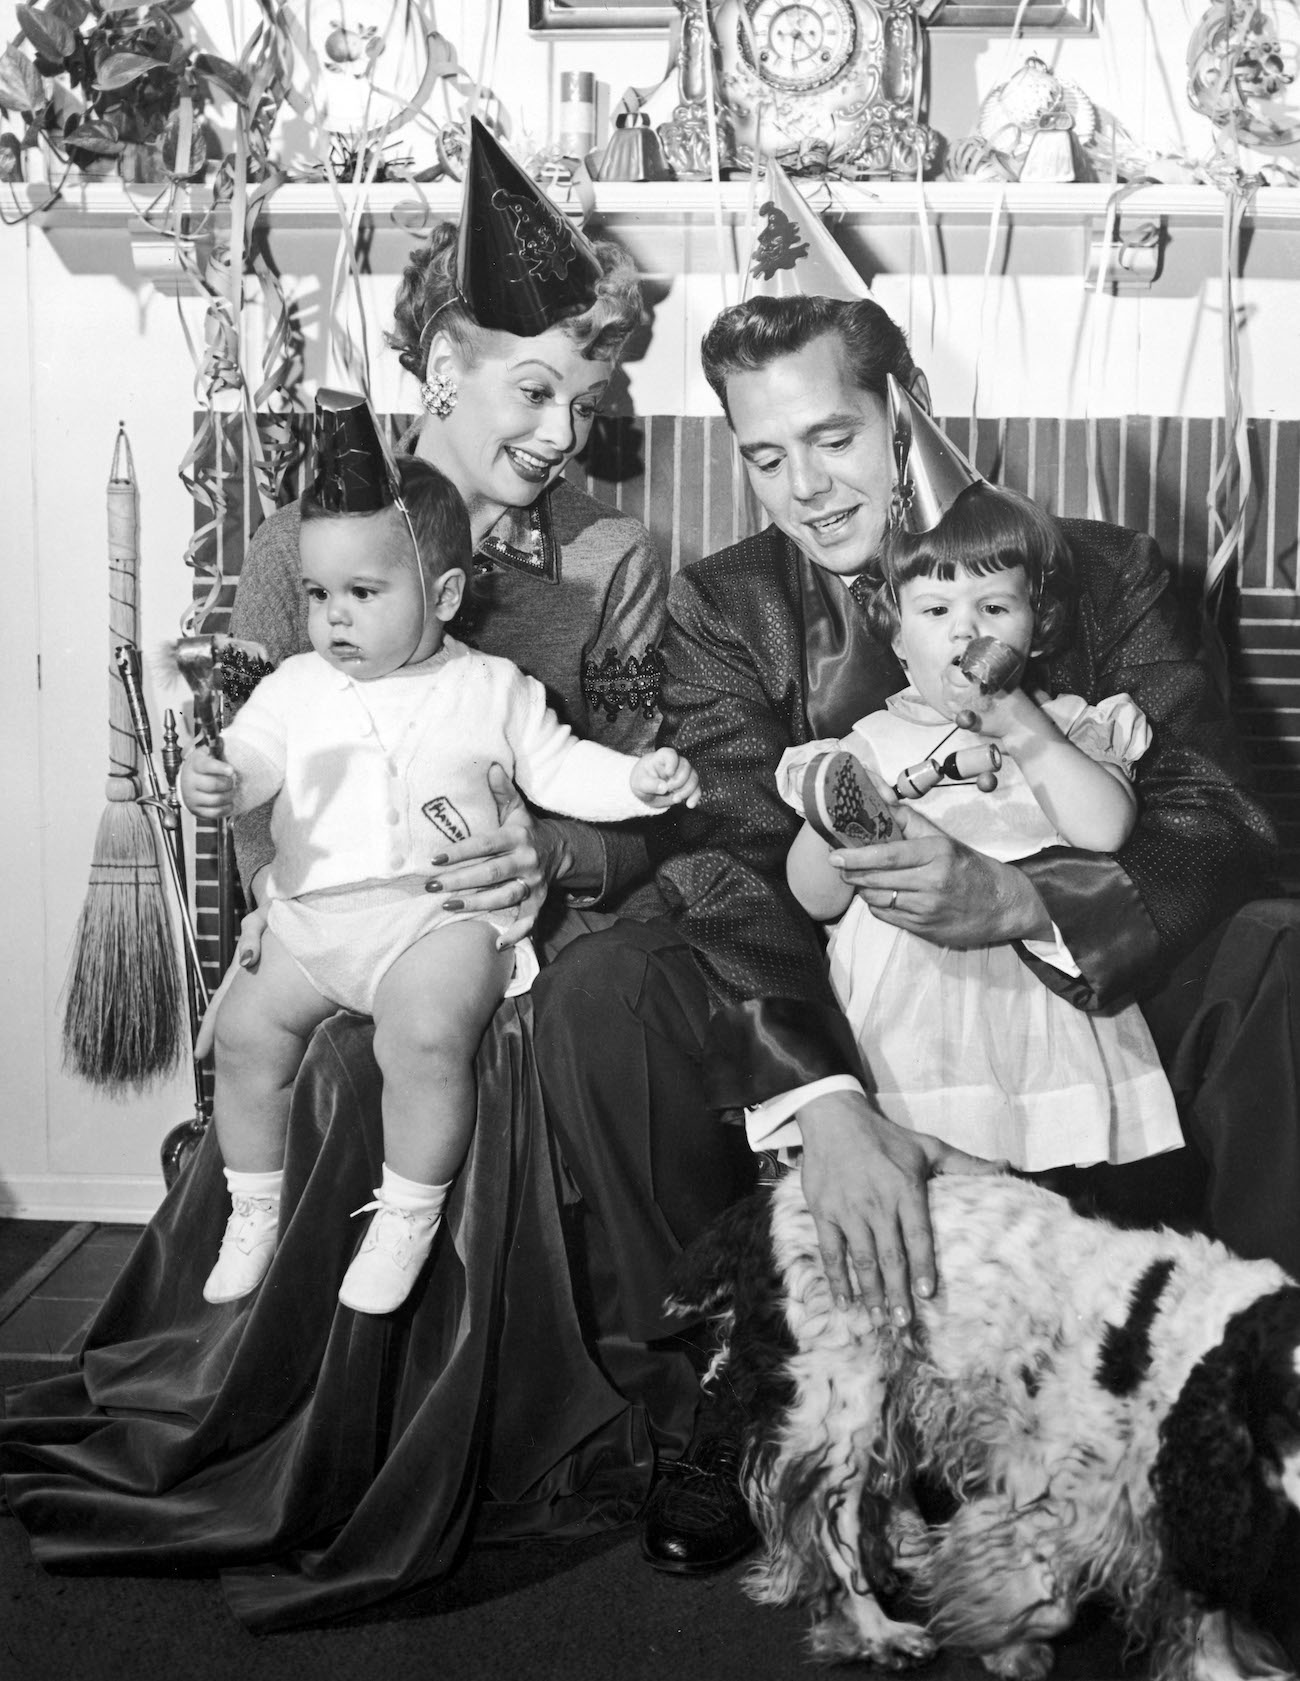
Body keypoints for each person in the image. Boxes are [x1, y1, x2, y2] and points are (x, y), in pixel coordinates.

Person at [0, 120, 752, 1628]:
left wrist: (543, 854)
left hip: (531, 936)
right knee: (325, 1047)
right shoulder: (307, 549)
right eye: (533, 391)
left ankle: (580, 1410)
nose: (560, 433)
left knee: (513, 1029)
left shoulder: (615, 565)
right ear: (441, 370)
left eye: (586, 401)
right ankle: (318, 1411)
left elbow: (643, 821)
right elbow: (276, 785)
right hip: (338, 924)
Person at [640, 291, 1294, 1355]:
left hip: (1086, 975)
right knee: (609, 990)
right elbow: (728, 863)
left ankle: (1259, 1371)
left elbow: (1217, 815)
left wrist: (1026, 900)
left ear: (907, 413)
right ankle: (721, 1395)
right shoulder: (724, 606)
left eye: (832, 438)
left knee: (1281, 949)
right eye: (764, 457)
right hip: (853, 981)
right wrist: (822, 1094)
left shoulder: (1101, 571)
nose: (803, 488)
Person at [182, 424, 698, 1315]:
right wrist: (219, 780)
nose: (332, 615)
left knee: (424, 1034)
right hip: (315, 919)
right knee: (242, 1035)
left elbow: (563, 767)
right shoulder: (296, 686)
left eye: (363, 591)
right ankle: (253, 1204)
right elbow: (254, 759)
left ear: (445, 593)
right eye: (316, 593)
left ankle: (408, 1214)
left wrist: (641, 783)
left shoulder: (493, 688)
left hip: (440, 916)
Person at [776, 387, 1181, 1173]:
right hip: (904, 1023)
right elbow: (814, 896)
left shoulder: (1064, 724)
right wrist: (845, 809)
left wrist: (1029, 732)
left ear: (1039, 624)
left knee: (1046, 1209)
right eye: (935, 611)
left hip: (1044, 1010)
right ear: (896, 637)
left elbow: (1106, 830)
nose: (966, 630)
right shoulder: (871, 742)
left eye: (994, 605)